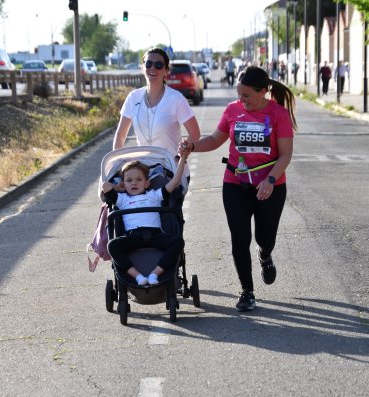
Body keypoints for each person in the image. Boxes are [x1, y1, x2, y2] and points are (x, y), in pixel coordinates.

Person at [179, 66, 296, 312]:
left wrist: (270, 181)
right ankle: (247, 291)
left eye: (246, 96)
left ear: (263, 92)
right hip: (236, 184)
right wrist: (192, 146)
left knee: (266, 238)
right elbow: (214, 140)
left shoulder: (278, 114)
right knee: (239, 239)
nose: (241, 100)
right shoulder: (232, 110)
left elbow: (285, 155)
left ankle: (265, 255)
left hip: (270, 186)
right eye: (239, 94)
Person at [103, 153, 189, 286]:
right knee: (112, 245)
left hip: (155, 234)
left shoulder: (154, 196)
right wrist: (117, 187)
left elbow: (175, 182)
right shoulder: (122, 199)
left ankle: (155, 273)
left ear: (147, 183)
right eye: (129, 180)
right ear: (123, 184)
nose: (134, 183)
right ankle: (137, 276)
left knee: (178, 242)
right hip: (133, 237)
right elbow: (105, 186)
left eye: (138, 179)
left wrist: (182, 159)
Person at [112, 47, 200, 167]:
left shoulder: (176, 99)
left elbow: (195, 133)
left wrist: (179, 156)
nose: (152, 68)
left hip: (172, 171)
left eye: (158, 65)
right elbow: (120, 136)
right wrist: (118, 164)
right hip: (144, 172)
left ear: (166, 71)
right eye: (148, 64)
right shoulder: (133, 97)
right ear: (143, 68)